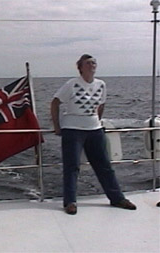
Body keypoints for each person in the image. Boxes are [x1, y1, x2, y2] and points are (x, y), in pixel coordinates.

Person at [50, 54, 137, 215]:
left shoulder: (101, 85)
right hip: (72, 129)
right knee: (72, 167)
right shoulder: (72, 84)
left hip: (94, 130)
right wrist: (57, 126)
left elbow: (101, 105)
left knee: (104, 166)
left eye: (94, 63)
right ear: (80, 67)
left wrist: (97, 121)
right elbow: (55, 102)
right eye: (88, 63)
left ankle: (117, 198)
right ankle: (70, 201)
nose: (92, 65)